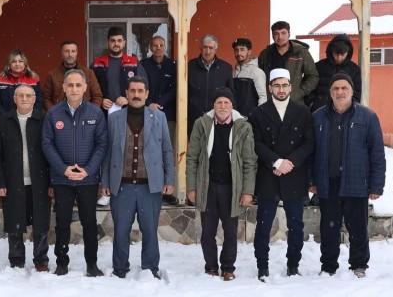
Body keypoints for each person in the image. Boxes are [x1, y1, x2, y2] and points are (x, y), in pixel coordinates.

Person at [310, 73, 385, 278]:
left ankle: (359, 265)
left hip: (356, 183)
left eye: (344, 88)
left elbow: (377, 153)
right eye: (336, 88)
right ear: (330, 92)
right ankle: (328, 265)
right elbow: (311, 151)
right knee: (328, 228)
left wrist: (376, 185)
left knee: (358, 228)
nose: (340, 92)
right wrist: (312, 180)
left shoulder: (367, 117)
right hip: (328, 183)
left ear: (352, 91)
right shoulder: (318, 116)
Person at [101, 76, 175, 279]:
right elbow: (107, 152)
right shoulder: (114, 118)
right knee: (121, 230)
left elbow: (167, 150)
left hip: (149, 186)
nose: (136, 94)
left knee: (150, 230)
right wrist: (105, 181)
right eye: (132, 90)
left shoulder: (158, 117)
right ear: (126, 93)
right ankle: (120, 268)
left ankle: (150, 267)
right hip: (122, 184)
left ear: (147, 93)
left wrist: (169, 180)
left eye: (140, 91)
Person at [41, 69, 109, 277]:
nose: (74, 89)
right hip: (62, 179)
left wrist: (87, 170)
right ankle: (62, 263)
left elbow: (102, 143)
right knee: (62, 222)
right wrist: (63, 169)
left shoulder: (95, 113)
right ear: (63, 87)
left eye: (78, 85)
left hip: (87, 180)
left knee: (89, 222)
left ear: (85, 88)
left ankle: (92, 264)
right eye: (70, 85)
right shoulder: (53, 114)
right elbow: (47, 143)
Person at [185, 87, 256, 281]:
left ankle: (228, 268)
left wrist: (248, 191)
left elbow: (250, 161)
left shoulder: (243, 127)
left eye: (226, 102)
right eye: (219, 103)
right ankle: (210, 267)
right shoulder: (202, 124)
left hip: (232, 188)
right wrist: (191, 187)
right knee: (207, 232)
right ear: (214, 106)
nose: (222, 106)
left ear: (232, 105)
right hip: (207, 186)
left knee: (230, 232)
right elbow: (192, 158)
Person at [249, 69, 314, 280]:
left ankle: (293, 265)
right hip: (269, 174)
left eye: (284, 85)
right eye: (276, 85)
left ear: (290, 87)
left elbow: (309, 142)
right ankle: (262, 266)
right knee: (264, 225)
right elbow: (256, 143)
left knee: (296, 225)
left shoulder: (303, 112)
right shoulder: (258, 113)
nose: (281, 89)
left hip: (294, 175)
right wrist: (276, 161)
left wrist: (290, 162)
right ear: (270, 88)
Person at [0, 84, 52, 271]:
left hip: (39, 181)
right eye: (21, 95)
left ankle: (41, 259)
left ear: (35, 99)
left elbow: (51, 152)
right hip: (13, 181)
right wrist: (0, 181)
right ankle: (16, 259)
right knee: (14, 222)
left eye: (29, 95)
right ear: (14, 98)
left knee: (41, 223)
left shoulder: (43, 120)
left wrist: (52, 182)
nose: (25, 98)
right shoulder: (4, 121)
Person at [141, 36, 178, 206]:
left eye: (161, 45)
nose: (158, 48)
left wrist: (160, 103)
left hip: (167, 114)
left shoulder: (173, 65)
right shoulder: (143, 65)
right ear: (150, 47)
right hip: (146, 113)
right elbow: (141, 87)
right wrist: (149, 104)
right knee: (149, 150)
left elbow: (176, 89)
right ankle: (152, 185)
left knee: (166, 151)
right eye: (155, 45)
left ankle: (168, 189)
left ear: (166, 46)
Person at [258, 21, 318, 106]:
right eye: (276, 34)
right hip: (270, 104)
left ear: (289, 34)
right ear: (272, 36)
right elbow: (260, 78)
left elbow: (313, 76)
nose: (280, 37)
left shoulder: (301, 53)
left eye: (283, 33)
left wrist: (299, 92)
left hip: (294, 104)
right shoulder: (265, 54)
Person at [186, 34, 233, 138]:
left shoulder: (226, 68)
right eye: (205, 47)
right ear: (200, 48)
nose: (208, 51)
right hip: (194, 118)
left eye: (211, 48)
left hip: (218, 118)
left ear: (215, 49)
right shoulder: (189, 66)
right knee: (196, 151)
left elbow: (231, 94)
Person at [91, 26, 146, 112]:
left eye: (119, 41)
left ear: (124, 43)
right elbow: (89, 87)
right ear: (108, 42)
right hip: (103, 112)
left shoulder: (134, 62)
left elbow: (143, 86)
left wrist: (128, 99)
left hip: (128, 111)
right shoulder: (98, 63)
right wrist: (100, 100)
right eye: (113, 41)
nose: (116, 44)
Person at [43, 40, 104, 111]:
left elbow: (97, 96)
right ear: (62, 53)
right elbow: (46, 98)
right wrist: (54, 114)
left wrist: (90, 113)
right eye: (67, 51)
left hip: (84, 115)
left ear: (77, 53)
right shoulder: (52, 75)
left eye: (73, 51)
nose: (70, 54)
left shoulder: (89, 73)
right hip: (60, 117)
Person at [310, 34, 361, 112]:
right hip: (320, 111)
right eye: (336, 54)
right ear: (331, 51)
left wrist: (351, 108)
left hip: (345, 112)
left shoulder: (354, 69)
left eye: (342, 55)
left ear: (348, 52)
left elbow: (357, 92)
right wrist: (312, 103)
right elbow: (310, 86)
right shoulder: (319, 66)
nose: (339, 58)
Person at [0, 49, 43, 116]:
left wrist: (31, 116)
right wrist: (5, 117)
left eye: (20, 61)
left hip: (29, 118)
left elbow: (39, 101)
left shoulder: (34, 80)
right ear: (9, 64)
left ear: (25, 63)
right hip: (5, 119)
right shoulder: (1, 80)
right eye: (13, 61)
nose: (17, 64)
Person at [231, 37, 268, 118]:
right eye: (236, 50)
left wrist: (257, 116)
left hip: (251, 119)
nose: (239, 53)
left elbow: (263, 97)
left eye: (242, 49)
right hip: (235, 118)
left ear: (249, 52)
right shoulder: (233, 72)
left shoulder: (257, 72)